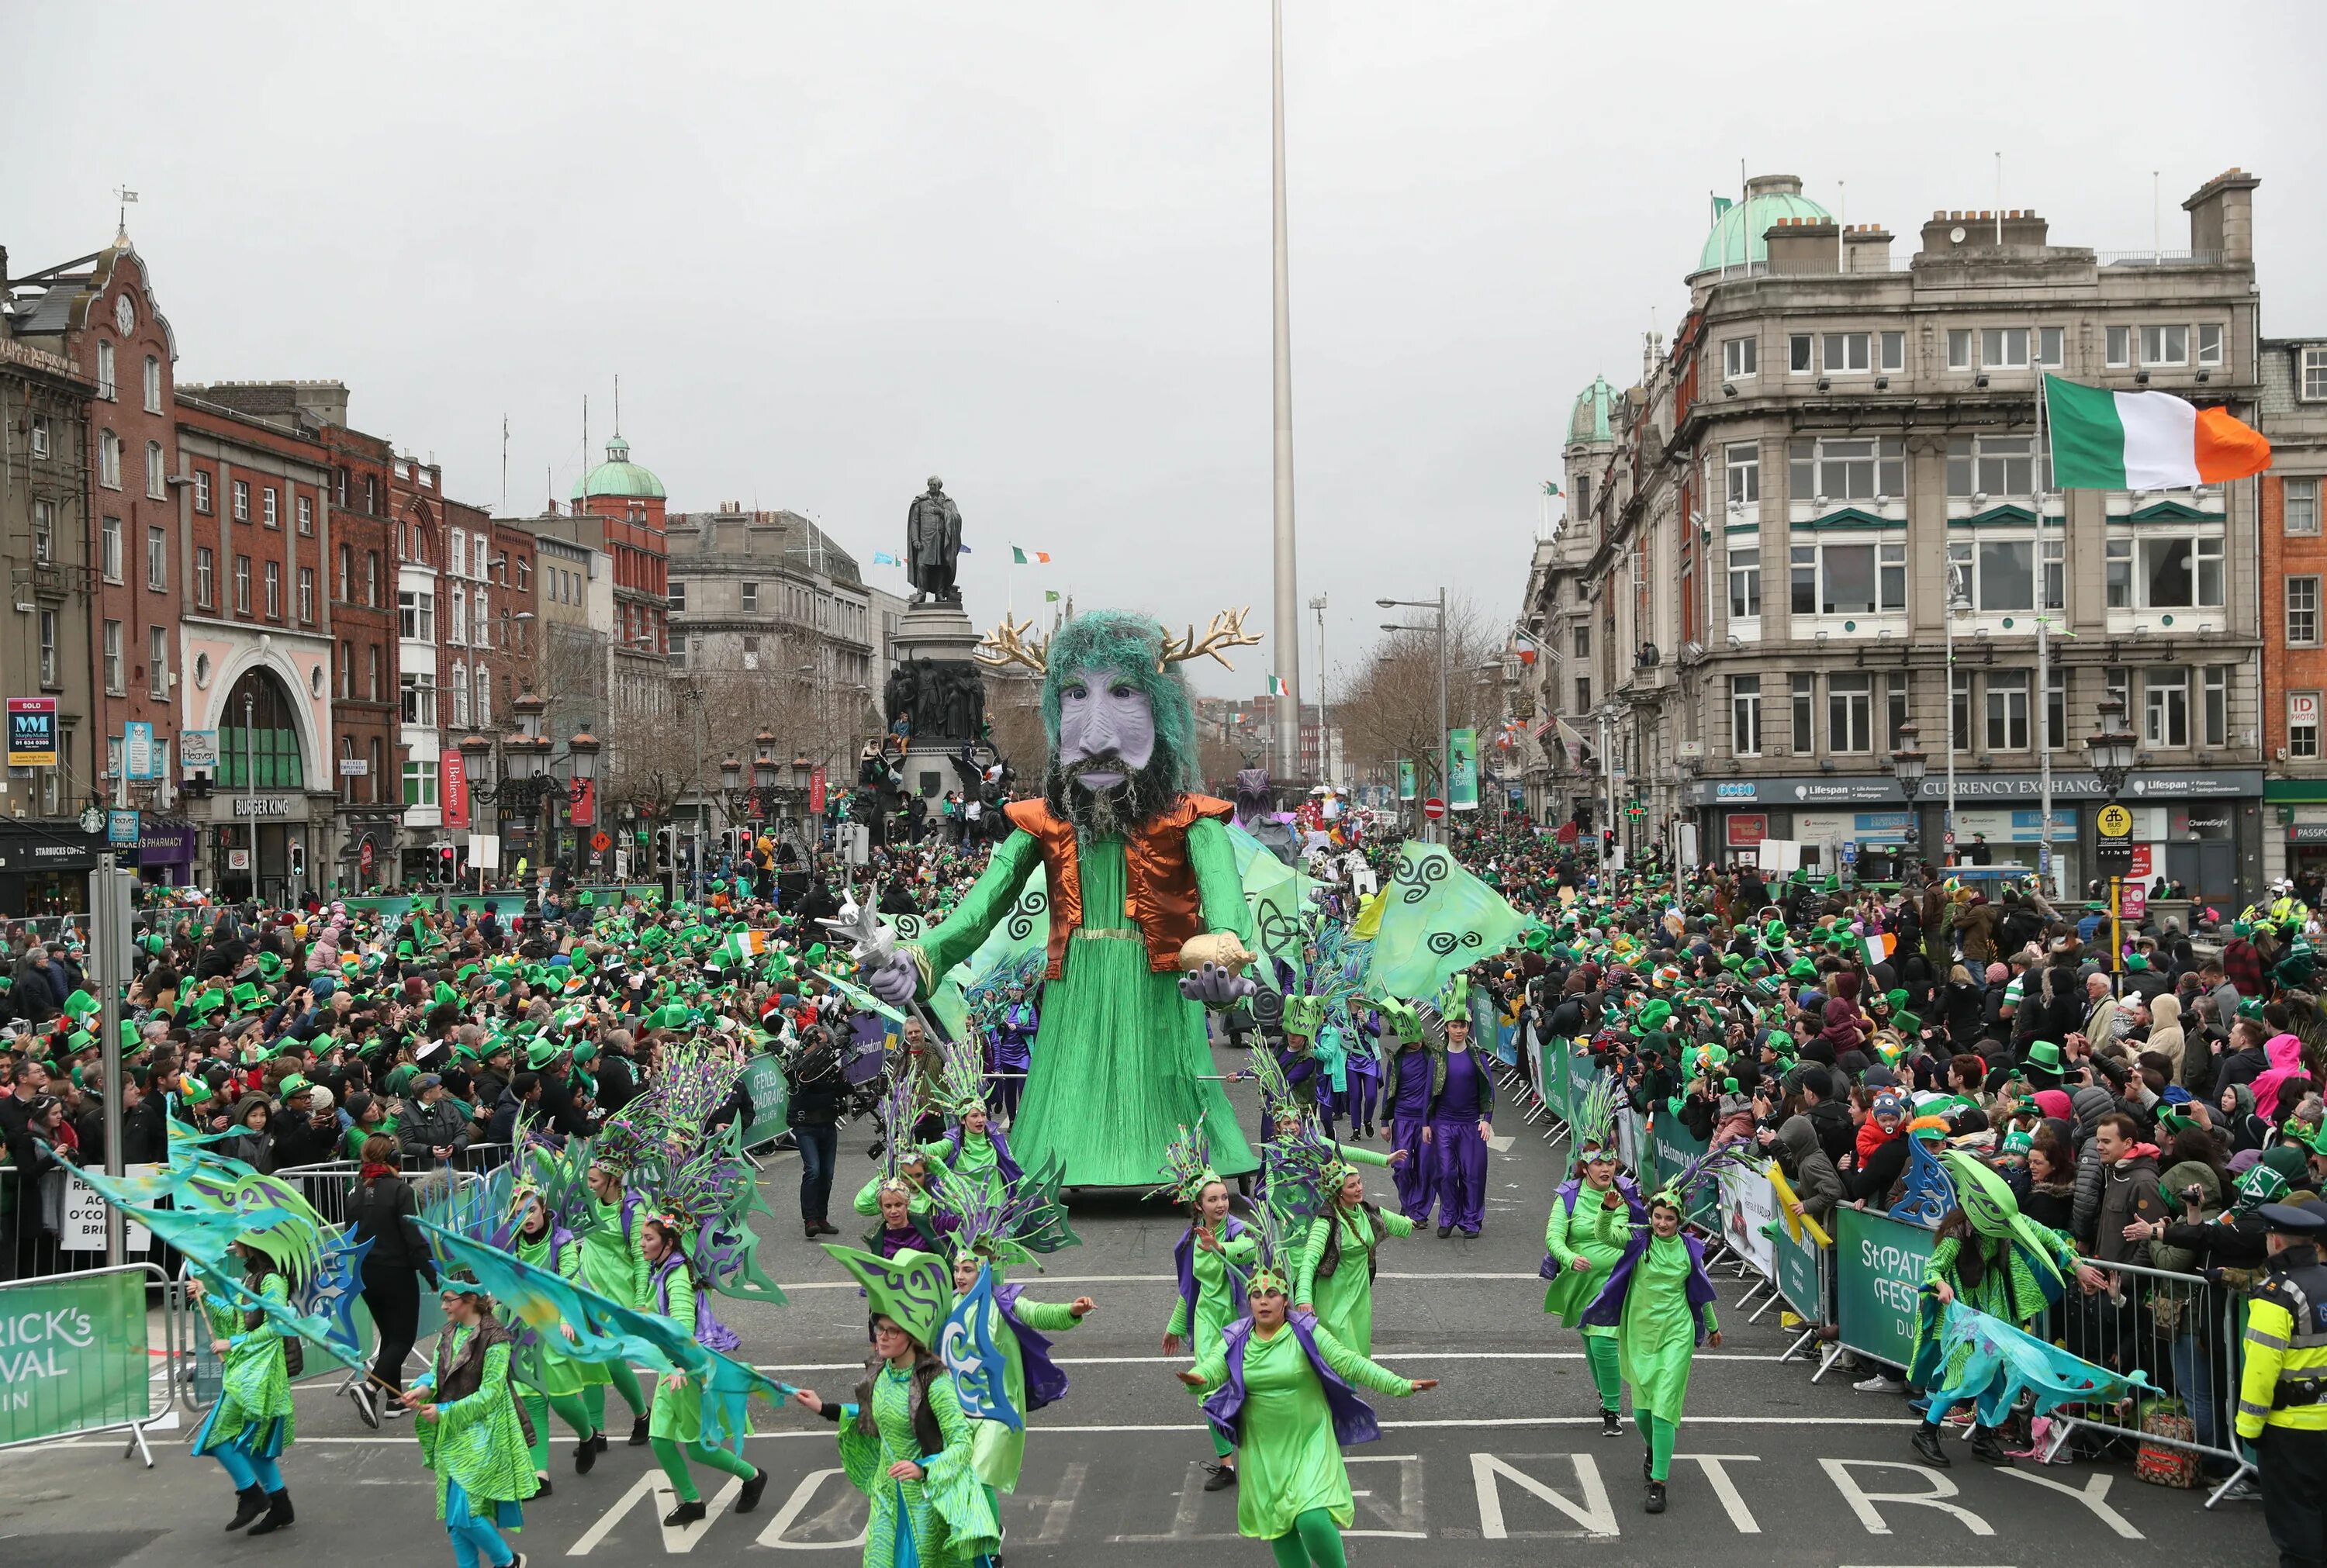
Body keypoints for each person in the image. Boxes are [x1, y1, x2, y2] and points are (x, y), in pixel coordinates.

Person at [1176, 1238, 1434, 1568]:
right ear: (1250, 1301)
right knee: (1279, 1528)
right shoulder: (1237, 1338)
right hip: (1263, 1448)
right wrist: (1197, 1379)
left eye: (1272, 1295)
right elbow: (1213, 1369)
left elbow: (1350, 1363)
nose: (1263, 1302)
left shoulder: (1306, 1332)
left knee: (1311, 1520)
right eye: (1257, 1296)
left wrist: (1402, 1385)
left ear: (1285, 1300)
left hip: (1310, 1439)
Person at [792, 1246, 1000, 1568]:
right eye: (879, 1329)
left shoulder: (935, 1381)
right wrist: (824, 1408)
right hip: (887, 1496)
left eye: (892, 1331)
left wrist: (924, 1468)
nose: (882, 1338)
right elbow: (873, 1413)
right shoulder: (880, 1371)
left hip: (925, 1504)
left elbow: (961, 1442)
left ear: (912, 1335)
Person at [1906, 1152, 2101, 1468]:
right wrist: (1942, 1287)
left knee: (1993, 1377)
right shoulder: (1960, 1232)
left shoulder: (2006, 1223)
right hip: (1961, 1317)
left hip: (1993, 1316)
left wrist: (2076, 1265)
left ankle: (1983, 1437)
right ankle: (1926, 1432)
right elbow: (1934, 1269)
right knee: (1965, 1376)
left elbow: (2048, 1237)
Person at [1582, 1180, 1723, 1514]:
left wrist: (1714, 1327)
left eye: (1669, 1219)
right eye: (1658, 1216)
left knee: (1663, 1408)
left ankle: (1658, 1483)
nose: (1662, 1223)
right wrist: (1606, 1211)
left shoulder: (1689, 1249)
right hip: (1641, 1335)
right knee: (1643, 1413)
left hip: (1676, 1334)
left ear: (1680, 1220)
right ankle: (1653, 1449)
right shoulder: (1638, 1241)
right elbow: (1604, 1236)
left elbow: (1700, 1291)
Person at [641, 1211, 768, 1525]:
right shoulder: (661, 1270)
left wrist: (678, 1366)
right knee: (659, 1438)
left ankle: (753, 1476)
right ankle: (693, 1501)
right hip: (671, 1368)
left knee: (698, 1449)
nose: (642, 1244)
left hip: (686, 1370)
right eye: (642, 1237)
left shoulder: (677, 1277)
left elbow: (684, 1324)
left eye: (648, 1239)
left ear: (668, 1244)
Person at [408, 1280, 539, 1568]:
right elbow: (435, 1373)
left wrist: (445, 1412)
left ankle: (508, 1561)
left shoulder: (496, 1338)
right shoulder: (449, 1333)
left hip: (485, 1431)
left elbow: (490, 1395)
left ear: (469, 1299)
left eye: (449, 1300)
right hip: (454, 1431)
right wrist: (421, 1388)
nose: (443, 1307)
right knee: (456, 1520)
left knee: (464, 1514)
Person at [1160, 1131, 1257, 1493]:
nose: (1221, 1205)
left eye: (1223, 1198)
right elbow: (1190, 1290)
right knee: (1206, 1391)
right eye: (1213, 1200)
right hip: (1206, 1321)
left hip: (1238, 1320)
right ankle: (1226, 1464)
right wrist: (1174, 1327)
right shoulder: (1190, 1241)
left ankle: (1260, 1453)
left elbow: (1249, 1252)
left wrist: (1222, 1249)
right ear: (1198, 1205)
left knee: (1246, 1387)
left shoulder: (1237, 1231)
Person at [187, 1239, 301, 1535]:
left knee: (217, 1436)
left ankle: (252, 1495)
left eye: (238, 1237)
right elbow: (241, 1319)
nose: (232, 1242)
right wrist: (205, 1296)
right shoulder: (253, 1275)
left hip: (260, 1375)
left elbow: (277, 1325)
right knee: (253, 1442)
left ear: (254, 1242)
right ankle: (279, 1503)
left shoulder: (272, 1279)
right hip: (247, 1371)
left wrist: (234, 1342)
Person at [2236, 1200, 2327, 1568]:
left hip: (2291, 1427)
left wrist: (2249, 1428)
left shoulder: (2277, 1294)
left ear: (2275, 1241)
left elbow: (2261, 1370)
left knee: (2298, 1527)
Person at [1541, 1120, 1641, 1435]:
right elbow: (1554, 1237)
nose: (1606, 1169)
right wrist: (1570, 1258)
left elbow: (1625, 1237)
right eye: (1598, 1162)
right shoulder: (1568, 1196)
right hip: (1579, 1283)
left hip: (1614, 1282)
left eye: (1610, 1162)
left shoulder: (1625, 1194)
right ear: (1585, 1166)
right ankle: (1604, 1393)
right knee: (1589, 1339)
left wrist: (1609, 1214)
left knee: (1603, 1343)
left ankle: (1612, 1410)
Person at [504, 1190, 601, 1490]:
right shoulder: (508, 1244)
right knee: (532, 1400)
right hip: (522, 1329)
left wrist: (564, 1321)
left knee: (561, 1400)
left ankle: (587, 1435)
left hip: (558, 1327)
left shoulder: (562, 1241)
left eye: (531, 1210)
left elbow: (569, 1282)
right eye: (519, 1212)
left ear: (544, 1209)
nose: (526, 1218)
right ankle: (539, 1474)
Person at [347, 1131, 439, 1423]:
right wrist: (432, 1273)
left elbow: (352, 1235)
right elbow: (414, 1237)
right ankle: (371, 1387)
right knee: (403, 1338)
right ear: (394, 1159)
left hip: (365, 1273)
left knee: (390, 1335)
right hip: (396, 1272)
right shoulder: (402, 1191)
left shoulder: (355, 1192)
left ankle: (395, 1399)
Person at [1291, 1148, 1414, 1359]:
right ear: (1339, 1192)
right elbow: (1309, 1261)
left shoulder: (1367, 1211)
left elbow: (1396, 1223)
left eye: (1359, 1182)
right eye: (1352, 1186)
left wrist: (1409, 1223)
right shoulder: (1325, 1223)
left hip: (1360, 1295)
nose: (1359, 1189)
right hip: (1333, 1297)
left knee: (1357, 1354)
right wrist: (1304, 1297)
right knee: (1341, 1354)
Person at [575, 1159, 653, 1449]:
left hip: (618, 1292)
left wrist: (640, 1299)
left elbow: (640, 1255)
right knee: (589, 1359)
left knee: (611, 1359)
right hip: (585, 1287)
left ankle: (642, 1414)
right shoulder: (588, 1201)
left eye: (595, 1181)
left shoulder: (633, 1209)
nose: (589, 1185)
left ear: (613, 1181)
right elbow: (564, 1169)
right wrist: (536, 1148)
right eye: (589, 1180)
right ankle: (597, 1431)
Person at [1422, 1010, 1494, 1238]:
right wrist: (1426, 1123)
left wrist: (1486, 1120)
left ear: (1468, 1028)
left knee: (1473, 1174)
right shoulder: (1438, 1057)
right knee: (1445, 1173)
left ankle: (1471, 1220)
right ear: (1446, 1028)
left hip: (1471, 1123)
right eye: (1454, 1026)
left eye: (1463, 1026)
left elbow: (1489, 1090)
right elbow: (1428, 1091)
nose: (1459, 1031)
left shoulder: (1477, 1057)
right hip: (1443, 1122)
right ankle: (1448, 1216)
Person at [783, 1022, 845, 1239]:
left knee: (827, 1174)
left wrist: (842, 1089)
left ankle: (822, 1217)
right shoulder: (798, 1068)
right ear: (808, 1043)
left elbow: (838, 1090)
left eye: (825, 1045)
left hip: (828, 1123)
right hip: (806, 1126)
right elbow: (800, 1101)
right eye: (818, 1044)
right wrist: (833, 1094)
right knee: (814, 1170)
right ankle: (810, 1219)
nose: (822, 1050)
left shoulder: (828, 1066)